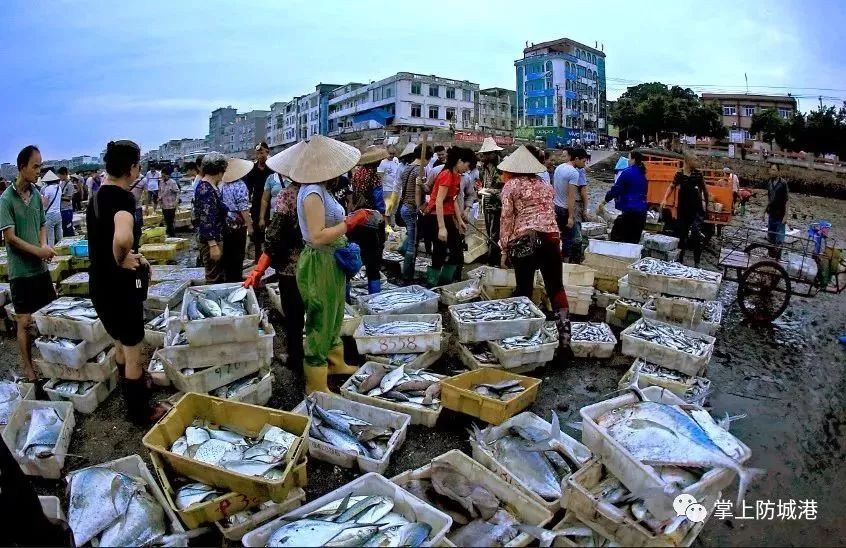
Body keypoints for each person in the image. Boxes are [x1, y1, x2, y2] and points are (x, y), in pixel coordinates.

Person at [87, 140, 166, 424]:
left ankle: (128, 389)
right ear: (131, 168)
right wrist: (122, 258)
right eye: (138, 165)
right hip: (122, 288)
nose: (139, 170)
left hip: (99, 285)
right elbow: (121, 237)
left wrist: (135, 257)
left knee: (120, 342)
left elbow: (104, 240)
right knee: (134, 348)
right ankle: (139, 412)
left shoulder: (97, 197)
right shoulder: (123, 198)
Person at [293, 136, 376, 394]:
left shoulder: (321, 188)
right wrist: (351, 223)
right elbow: (317, 235)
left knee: (335, 312)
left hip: (332, 259)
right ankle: (315, 381)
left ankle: (335, 362)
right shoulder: (313, 193)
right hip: (320, 260)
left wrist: (350, 220)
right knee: (320, 317)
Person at [498, 146, 571, 347]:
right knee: (556, 287)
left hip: (524, 240)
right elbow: (550, 215)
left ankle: (525, 339)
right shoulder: (546, 186)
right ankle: (565, 340)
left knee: (524, 288)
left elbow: (506, 220)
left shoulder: (510, 186)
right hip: (551, 238)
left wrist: (504, 248)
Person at [0, 145, 57, 381]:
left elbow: (43, 224)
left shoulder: (36, 194)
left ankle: (53, 362)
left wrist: (43, 247)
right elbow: (10, 238)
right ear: (22, 167)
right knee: (24, 322)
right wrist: (38, 251)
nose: (39, 170)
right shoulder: (6, 199)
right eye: (35, 166)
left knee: (49, 318)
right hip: (21, 273)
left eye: (40, 166)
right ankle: (29, 369)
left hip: (40, 271)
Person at [246, 156, 304, 374]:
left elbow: (275, 235)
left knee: (294, 313)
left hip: (291, 266)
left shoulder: (288, 195)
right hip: (318, 264)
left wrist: (260, 268)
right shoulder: (322, 191)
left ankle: (295, 356)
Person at [423, 147, 474, 286]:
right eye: (467, 166)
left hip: (448, 216)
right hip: (435, 217)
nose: (467, 169)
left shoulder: (457, 176)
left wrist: (459, 220)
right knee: (439, 252)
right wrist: (441, 228)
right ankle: (432, 284)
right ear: (459, 161)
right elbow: (439, 201)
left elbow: (453, 200)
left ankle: (446, 282)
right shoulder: (446, 175)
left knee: (457, 252)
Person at [349, 148, 388, 294]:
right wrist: (382, 219)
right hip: (371, 220)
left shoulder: (357, 174)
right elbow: (379, 202)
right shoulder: (374, 177)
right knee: (373, 262)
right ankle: (374, 295)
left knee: (356, 254)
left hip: (357, 218)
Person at [661, 152, 708, 267]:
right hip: (683, 209)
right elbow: (671, 186)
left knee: (697, 235)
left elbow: (704, 190)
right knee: (682, 235)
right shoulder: (679, 174)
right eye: (695, 160)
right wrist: (664, 199)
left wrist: (707, 204)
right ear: (687, 161)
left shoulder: (698, 174)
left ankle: (697, 262)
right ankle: (680, 260)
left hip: (696, 209)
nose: (697, 162)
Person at [193, 153, 231, 283]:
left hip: (216, 236)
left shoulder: (210, 186)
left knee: (217, 274)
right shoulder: (205, 189)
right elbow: (206, 219)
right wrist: (213, 245)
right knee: (213, 276)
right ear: (219, 170)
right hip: (210, 240)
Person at [398, 144, 433, 282]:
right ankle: (407, 275)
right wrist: (424, 187)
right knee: (412, 244)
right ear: (427, 158)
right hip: (412, 207)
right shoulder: (419, 170)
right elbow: (420, 192)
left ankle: (403, 249)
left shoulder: (407, 168)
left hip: (404, 207)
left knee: (413, 236)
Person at [599, 151, 649, 244]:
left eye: (629, 158)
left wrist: (604, 201)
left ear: (633, 160)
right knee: (634, 241)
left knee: (620, 239)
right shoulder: (643, 173)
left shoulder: (627, 172)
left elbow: (616, 189)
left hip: (630, 212)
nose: (628, 161)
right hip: (642, 212)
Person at [218, 158, 255, 282]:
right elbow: (244, 209)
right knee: (238, 254)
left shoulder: (222, 185)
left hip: (226, 221)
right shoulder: (240, 185)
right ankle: (236, 279)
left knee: (228, 252)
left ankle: (227, 278)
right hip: (238, 223)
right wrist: (249, 226)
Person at [553, 148, 588, 262]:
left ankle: (556, 259)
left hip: (555, 206)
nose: (584, 164)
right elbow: (571, 196)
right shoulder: (574, 172)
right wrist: (571, 217)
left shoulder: (559, 167)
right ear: (576, 159)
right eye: (583, 161)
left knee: (558, 236)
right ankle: (566, 262)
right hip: (564, 208)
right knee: (568, 237)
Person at [243, 142, 274, 260]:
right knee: (257, 234)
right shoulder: (252, 169)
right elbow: (248, 189)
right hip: (256, 204)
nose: (260, 156)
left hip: (270, 203)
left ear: (267, 152)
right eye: (258, 153)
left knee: (271, 232)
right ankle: (258, 258)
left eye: (262, 152)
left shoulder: (272, 169)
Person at [478, 137, 505, 266]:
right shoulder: (484, 167)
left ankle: (495, 259)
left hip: (498, 204)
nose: (485, 156)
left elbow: (501, 186)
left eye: (488, 154)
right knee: (490, 232)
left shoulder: (501, 167)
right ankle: (492, 257)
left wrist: (487, 190)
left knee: (496, 233)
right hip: (487, 203)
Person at [765, 163, 789, 250]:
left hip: (780, 215)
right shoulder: (769, 182)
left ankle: (778, 260)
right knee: (770, 239)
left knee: (779, 241)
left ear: (778, 172)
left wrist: (786, 216)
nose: (772, 171)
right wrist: (763, 212)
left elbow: (786, 200)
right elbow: (769, 199)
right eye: (771, 169)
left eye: (774, 170)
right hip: (771, 214)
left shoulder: (783, 183)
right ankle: (770, 259)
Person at [39, 170, 63, 246]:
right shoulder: (59, 188)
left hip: (50, 214)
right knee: (59, 235)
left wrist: (41, 197)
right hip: (58, 213)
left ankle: (51, 252)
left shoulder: (47, 189)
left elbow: (45, 204)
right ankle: (62, 248)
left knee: (50, 237)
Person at [378, 146, 401, 228]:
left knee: (394, 209)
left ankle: (393, 224)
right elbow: (380, 177)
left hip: (396, 188)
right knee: (388, 209)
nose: (392, 155)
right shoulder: (382, 163)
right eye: (390, 153)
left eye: (393, 154)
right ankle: (387, 226)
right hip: (387, 189)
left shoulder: (396, 160)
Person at [159, 165, 180, 237]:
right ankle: (169, 234)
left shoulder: (172, 182)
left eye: (164, 176)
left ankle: (172, 235)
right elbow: (160, 192)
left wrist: (176, 201)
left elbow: (177, 192)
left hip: (171, 205)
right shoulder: (161, 182)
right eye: (162, 176)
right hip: (164, 205)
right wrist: (159, 198)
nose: (163, 178)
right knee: (167, 220)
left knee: (170, 221)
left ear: (168, 175)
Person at [57, 167, 76, 236]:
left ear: (64, 174)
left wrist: (59, 197)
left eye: (60, 175)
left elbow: (69, 198)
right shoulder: (61, 184)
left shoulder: (70, 184)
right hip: (62, 209)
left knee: (68, 227)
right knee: (64, 228)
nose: (59, 177)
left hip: (67, 209)